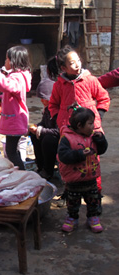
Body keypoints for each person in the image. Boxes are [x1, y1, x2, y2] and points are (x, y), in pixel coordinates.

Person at [48, 45, 110, 210]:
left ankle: (96, 196)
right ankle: (70, 194)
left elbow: (103, 98)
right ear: (63, 68)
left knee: (92, 162)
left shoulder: (90, 80)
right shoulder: (59, 85)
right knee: (67, 162)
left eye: (78, 61)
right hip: (68, 132)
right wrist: (58, 119)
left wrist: (98, 117)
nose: (77, 64)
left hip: (91, 129)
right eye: (72, 63)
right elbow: (53, 104)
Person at [58, 103, 108, 233]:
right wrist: (79, 154)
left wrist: (101, 140)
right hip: (73, 180)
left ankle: (93, 217)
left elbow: (102, 150)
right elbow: (63, 156)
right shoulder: (66, 138)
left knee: (93, 200)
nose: (93, 126)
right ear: (80, 126)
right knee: (72, 201)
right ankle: (72, 218)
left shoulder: (94, 136)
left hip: (91, 177)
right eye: (90, 124)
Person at [0, 45, 32, 170]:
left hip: (14, 121)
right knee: (13, 151)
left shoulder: (16, 77)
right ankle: (20, 173)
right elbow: (9, 96)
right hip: (14, 120)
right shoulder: (19, 76)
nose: (5, 62)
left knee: (11, 153)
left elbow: (5, 86)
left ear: (13, 62)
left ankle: (22, 175)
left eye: (6, 59)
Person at [29, 63, 59, 180]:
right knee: (33, 134)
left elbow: (58, 131)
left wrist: (41, 130)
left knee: (48, 140)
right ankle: (40, 165)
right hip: (49, 132)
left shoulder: (59, 109)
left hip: (58, 138)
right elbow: (44, 122)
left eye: (45, 98)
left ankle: (48, 170)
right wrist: (37, 127)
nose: (42, 101)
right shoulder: (47, 109)